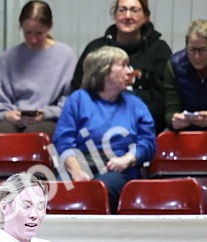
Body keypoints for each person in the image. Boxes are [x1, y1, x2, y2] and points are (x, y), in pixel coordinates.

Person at [54, 46, 156, 212]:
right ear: (104, 71)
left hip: (120, 167)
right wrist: (77, 172)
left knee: (103, 188)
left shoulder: (135, 103)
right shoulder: (78, 99)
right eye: (123, 65)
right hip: (81, 162)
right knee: (59, 189)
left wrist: (127, 160)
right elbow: (63, 141)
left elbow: (148, 143)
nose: (129, 71)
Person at [71, 0, 172, 130]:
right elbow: (79, 91)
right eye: (122, 10)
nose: (127, 16)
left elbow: (163, 99)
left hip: (143, 126)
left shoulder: (159, 50)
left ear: (146, 17)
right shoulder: (96, 49)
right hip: (97, 127)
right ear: (115, 15)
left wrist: (130, 119)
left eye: (134, 10)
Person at [0, 0, 77, 134]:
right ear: (21, 27)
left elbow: (71, 99)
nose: (33, 39)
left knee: (33, 135)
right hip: (15, 118)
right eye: (28, 33)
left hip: (51, 120)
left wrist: (47, 113)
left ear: (50, 27)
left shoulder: (66, 56)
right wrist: (7, 115)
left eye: (39, 33)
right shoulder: (8, 58)